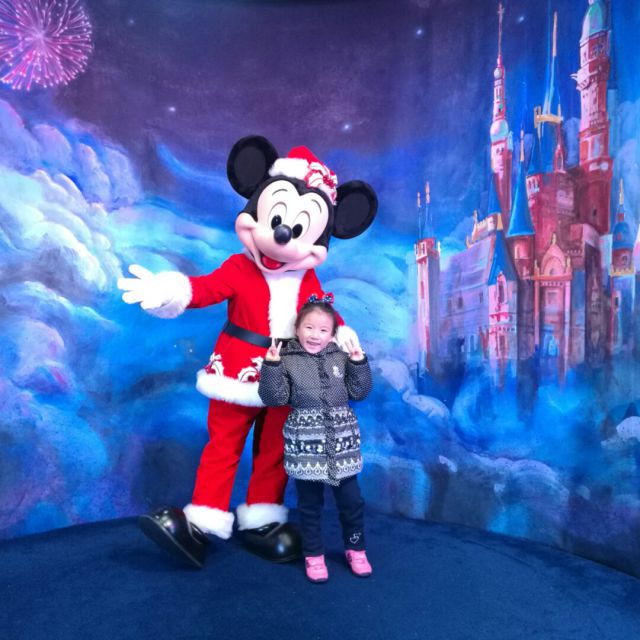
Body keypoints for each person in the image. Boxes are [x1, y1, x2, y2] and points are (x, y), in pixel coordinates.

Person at [258, 296, 373, 583]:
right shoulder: (287, 360)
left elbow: (359, 392)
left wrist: (358, 362)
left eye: (323, 330)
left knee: (352, 502)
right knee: (309, 505)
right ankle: (313, 554)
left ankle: (356, 549)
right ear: (297, 329)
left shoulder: (340, 357)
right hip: (306, 446)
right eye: (309, 327)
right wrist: (271, 367)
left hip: (342, 446)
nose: (315, 335)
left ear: (333, 334)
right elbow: (274, 398)